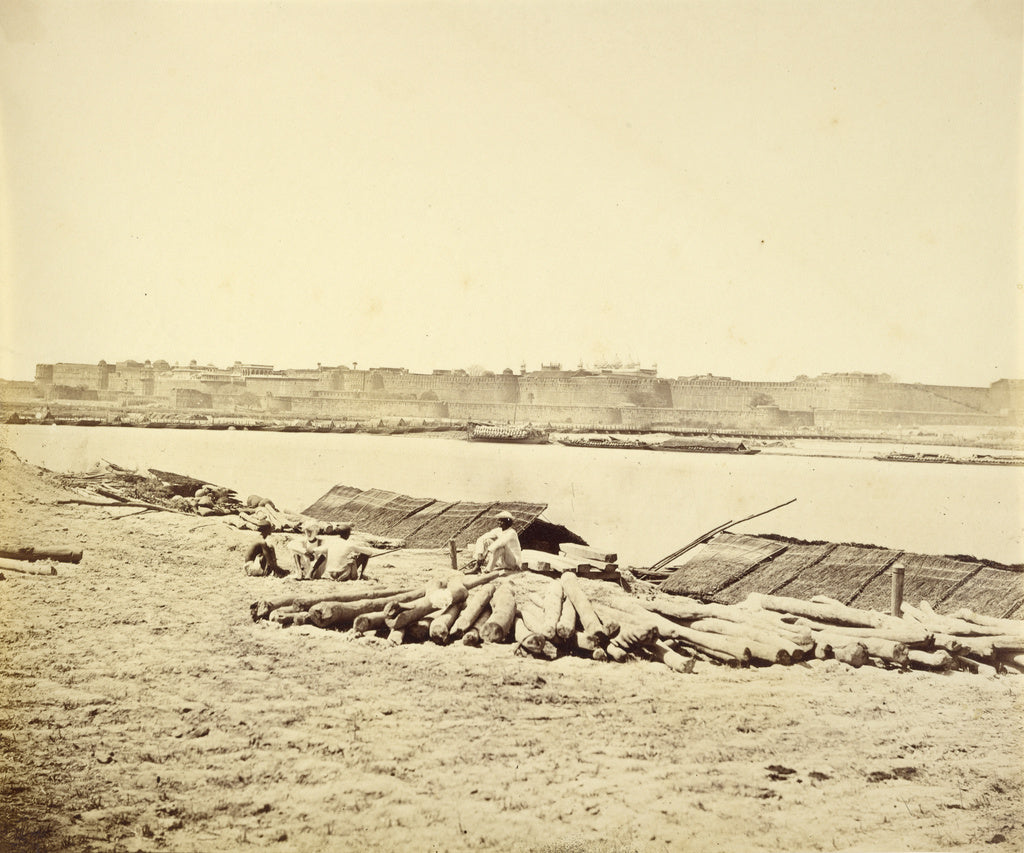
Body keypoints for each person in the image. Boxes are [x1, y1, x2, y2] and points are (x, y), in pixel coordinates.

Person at [311, 523, 384, 581]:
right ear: (347, 534)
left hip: (331, 574)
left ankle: (312, 571)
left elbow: (317, 550)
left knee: (325, 554)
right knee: (363, 555)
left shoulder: (331, 543)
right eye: (349, 534)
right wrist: (355, 557)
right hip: (343, 575)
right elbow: (369, 552)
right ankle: (362, 574)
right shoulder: (349, 545)